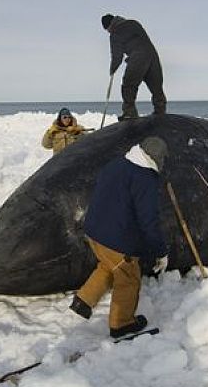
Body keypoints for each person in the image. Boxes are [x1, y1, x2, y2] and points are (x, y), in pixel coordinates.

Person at [69, 136, 170, 338]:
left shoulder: (118, 164)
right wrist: (161, 252)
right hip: (116, 240)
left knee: (108, 265)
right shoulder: (145, 178)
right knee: (128, 277)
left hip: (94, 231)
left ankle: (84, 300)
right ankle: (121, 324)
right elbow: (149, 220)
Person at [101, 13, 167, 120]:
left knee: (128, 85)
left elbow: (117, 56)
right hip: (152, 55)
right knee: (156, 86)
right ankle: (160, 110)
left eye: (107, 29)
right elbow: (142, 40)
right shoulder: (134, 23)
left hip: (138, 58)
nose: (108, 31)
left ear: (109, 26)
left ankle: (129, 113)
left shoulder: (115, 34)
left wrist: (112, 69)